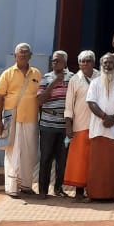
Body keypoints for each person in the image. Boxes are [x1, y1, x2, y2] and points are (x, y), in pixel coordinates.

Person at [0, 42, 42, 198]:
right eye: (20, 52)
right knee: (12, 152)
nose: (23, 54)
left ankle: (26, 185)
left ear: (30, 56)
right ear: (15, 56)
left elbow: (40, 96)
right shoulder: (7, 74)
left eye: (26, 52)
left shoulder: (36, 74)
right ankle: (12, 187)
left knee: (29, 153)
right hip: (10, 118)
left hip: (31, 118)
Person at [85, 52, 114, 200]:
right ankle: (94, 194)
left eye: (110, 62)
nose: (107, 65)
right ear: (101, 64)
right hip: (98, 129)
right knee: (97, 165)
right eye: (104, 62)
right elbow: (91, 102)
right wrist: (105, 117)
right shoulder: (95, 82)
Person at [36, 50, 72, 197]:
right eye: (53, 61)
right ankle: (43, 190)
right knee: (45, 158)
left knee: (62, 160)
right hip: (48, 125)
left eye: (58, 60)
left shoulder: (72, 78)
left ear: (65, 62)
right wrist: (53, 84)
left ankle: (58, 188)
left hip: (64, 126)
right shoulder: (45, 78)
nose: (55, 63)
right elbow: (39, 101)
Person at [63, 51, 98, 198]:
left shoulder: (100, 77)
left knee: (95, 159)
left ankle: (95, 190)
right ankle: (78, 192)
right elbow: (69, 105)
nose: (85, 64)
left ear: (93, 63)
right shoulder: (74, 79)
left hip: (98, 125)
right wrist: (68, 125)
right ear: (78, 64)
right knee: (80, 161)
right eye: (82, 61)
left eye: (88, 61)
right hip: (80, 125)